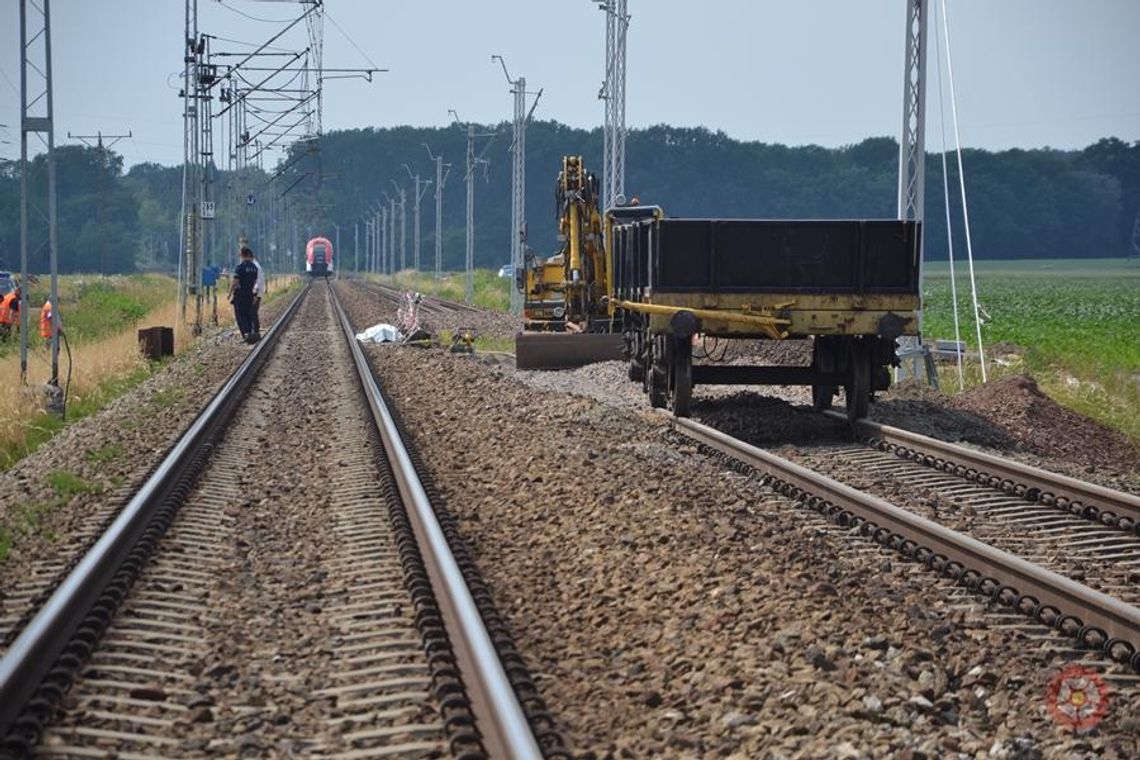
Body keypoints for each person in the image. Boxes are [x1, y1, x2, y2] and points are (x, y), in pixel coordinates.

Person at [230, 247, 259, 343]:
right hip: (249, 294)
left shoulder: (240, 267)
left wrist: (230, 292)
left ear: (243, 255)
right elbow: (255, 283)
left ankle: (246, 334)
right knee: (248, 314)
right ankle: (251, 332)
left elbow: (235, 282)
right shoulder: (254, 268)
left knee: (240, 316)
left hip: (240, 295)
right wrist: (254, 294)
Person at [250, 250, 265, 338]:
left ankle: (255, 332)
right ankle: (255, 331)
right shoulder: (256, 265)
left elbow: (257, 282)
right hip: (257, 293)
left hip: (256, 293)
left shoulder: (255, 266)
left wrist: (255, 295)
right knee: (253, 312)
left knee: (253, 312)